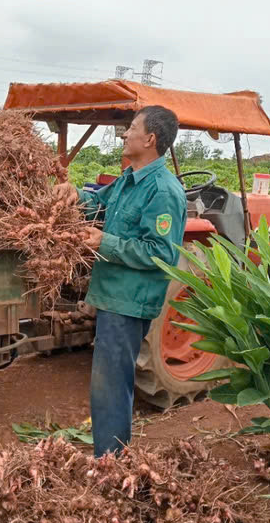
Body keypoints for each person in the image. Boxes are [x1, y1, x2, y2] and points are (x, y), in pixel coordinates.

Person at [54, 105, 187, 457]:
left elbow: (162, 254)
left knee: (111, 387)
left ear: (150, 139)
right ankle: (110, 459)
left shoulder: (162, 191)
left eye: (131, 128)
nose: (125, 134)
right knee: (106, 385)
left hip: (130, 301)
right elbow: (99, 205)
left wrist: (104, 242)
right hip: (113, 295)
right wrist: (75, 196)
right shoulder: (129, 179)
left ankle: (110, 464)